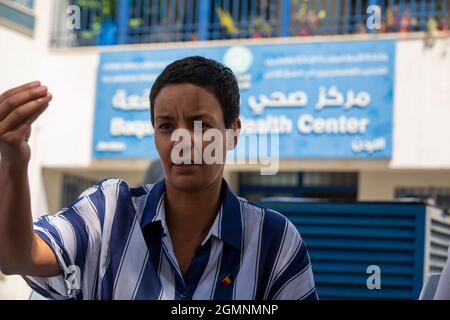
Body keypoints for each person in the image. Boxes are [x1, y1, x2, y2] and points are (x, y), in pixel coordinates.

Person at [0, 56, 317, 300]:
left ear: (233, 134)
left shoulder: (275, 242)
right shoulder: (109, 212)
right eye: (166, 126)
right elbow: (17, 257)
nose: (182, 141)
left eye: (200, 125)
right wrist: (15, 164)